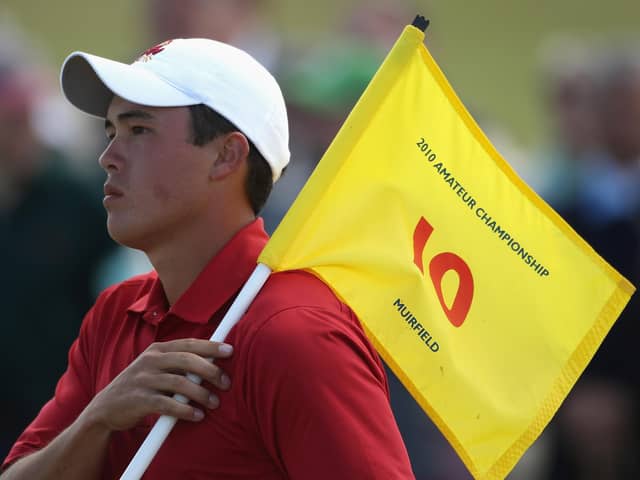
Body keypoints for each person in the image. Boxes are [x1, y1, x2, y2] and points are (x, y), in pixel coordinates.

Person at [0, 38, 414, 479]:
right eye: (111, 132)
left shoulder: (296, 332)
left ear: (226, 155)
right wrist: (98, 419)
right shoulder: (116, 313)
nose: (108, 158)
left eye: (139, 130)